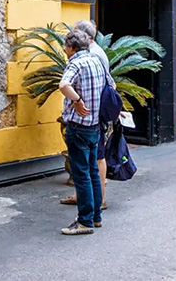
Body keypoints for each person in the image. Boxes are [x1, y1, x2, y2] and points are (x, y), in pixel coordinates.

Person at [58, 30, 113, 235]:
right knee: (92, 172)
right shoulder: (96, 60)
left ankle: (85, 222)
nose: (64, 50)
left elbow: (64, 85)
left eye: (65, 46)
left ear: (71, 47)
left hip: (79, 125)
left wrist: (77, 101)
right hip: (95, 125)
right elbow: (112, 85)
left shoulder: (75, 63)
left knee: (81, 175)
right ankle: (96, 217)